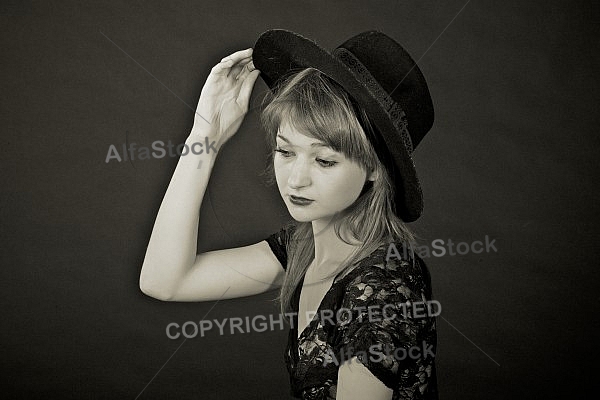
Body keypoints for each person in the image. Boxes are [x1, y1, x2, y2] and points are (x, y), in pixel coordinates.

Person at [140, 29, 438, 400]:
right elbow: (164, 280)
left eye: (325, 160)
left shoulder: (381, 287)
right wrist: (206, 137)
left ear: (376, 169)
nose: (296, 179)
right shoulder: (302, 249)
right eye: (285, 151)